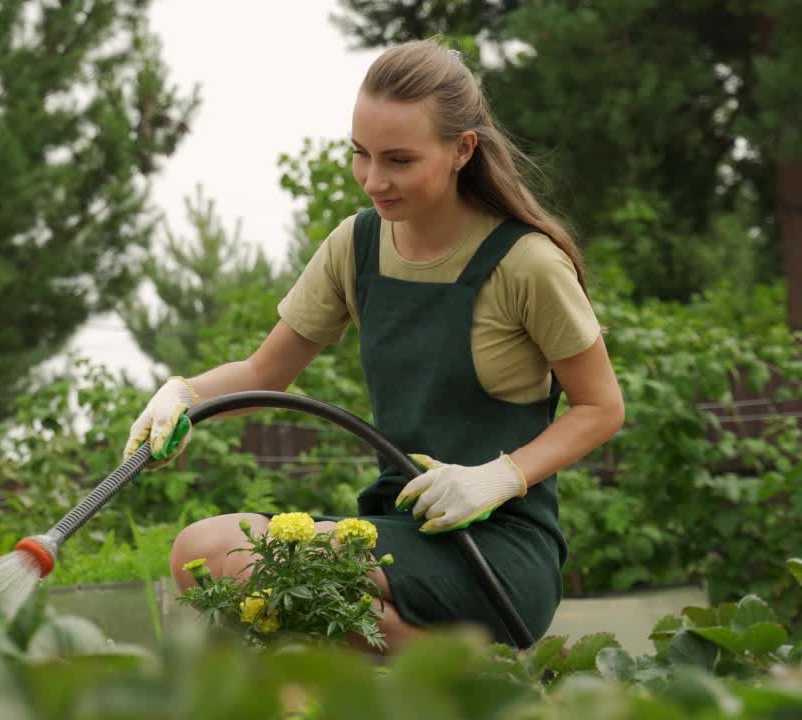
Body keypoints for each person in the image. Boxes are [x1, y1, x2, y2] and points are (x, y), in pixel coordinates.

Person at [122, 39, 625, 652]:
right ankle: (452, 676)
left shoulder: (527, 263)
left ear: (462, 150)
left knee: (293, 592)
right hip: (392, 532)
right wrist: (184, 392)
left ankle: (478, 679)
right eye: (361, 155)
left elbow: (602, 407)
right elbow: (264, 371)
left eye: (399, 160)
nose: (373, 181)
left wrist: (501, 476)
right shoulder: (356, 247)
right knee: (203, 554)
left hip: (499, 552)